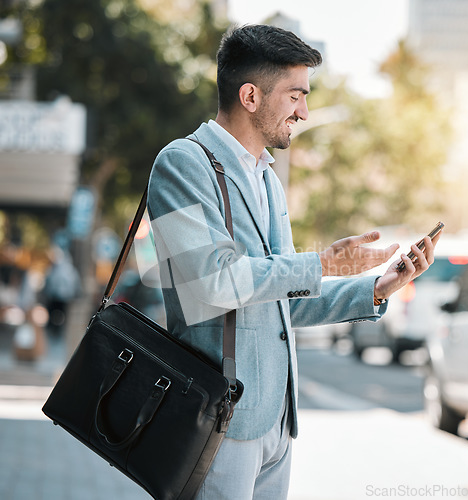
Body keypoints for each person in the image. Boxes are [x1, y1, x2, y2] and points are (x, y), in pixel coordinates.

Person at [147, 24, 439, 500]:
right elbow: (213, 283)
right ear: (250, 96)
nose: (304, 111)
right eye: (295, 96)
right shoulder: (183, 164)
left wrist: (376, 288)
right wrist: (321, 263)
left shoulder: (268, 180)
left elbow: (282, 302)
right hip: (218, 419)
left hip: (276, 423)